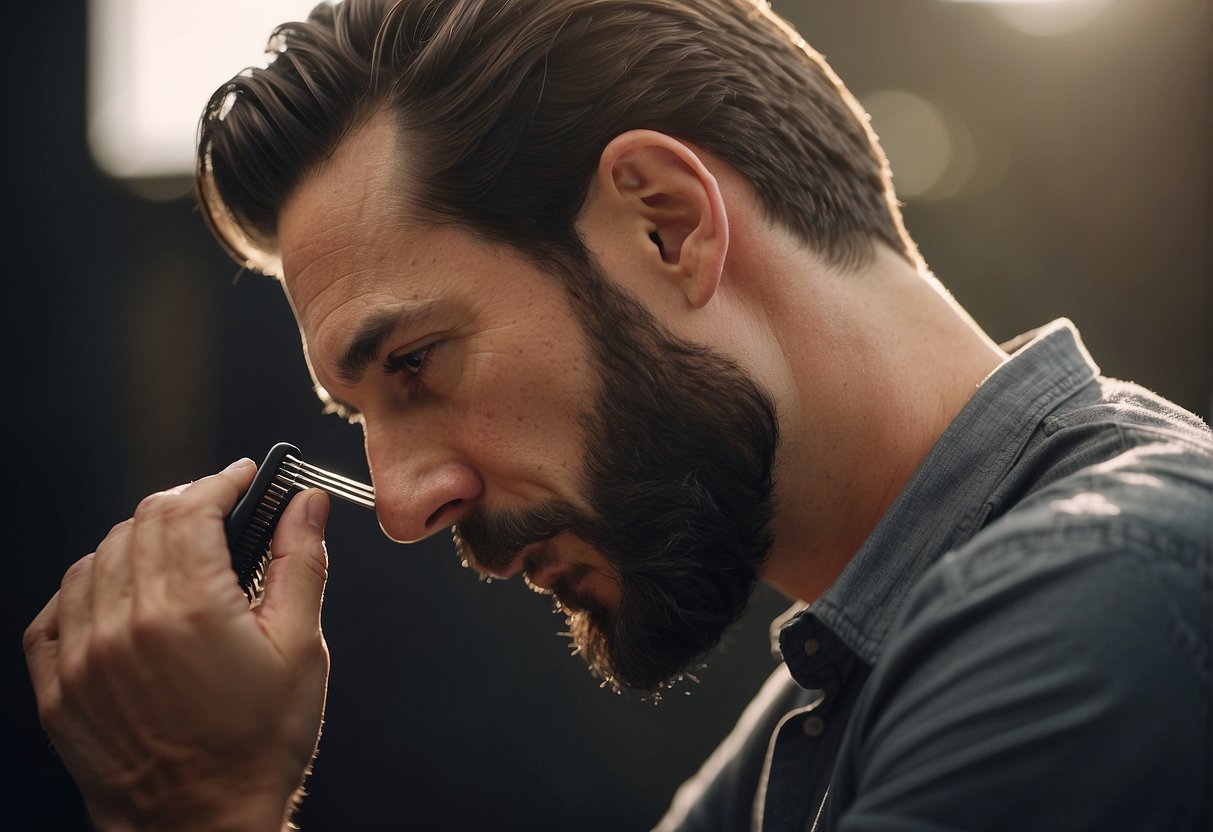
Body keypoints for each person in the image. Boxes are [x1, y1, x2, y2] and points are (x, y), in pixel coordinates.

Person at [23, 0, 1211, 829]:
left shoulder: (1105, 604)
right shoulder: (823, 705)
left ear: (665, 223)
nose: (397, 505)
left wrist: (203, 807)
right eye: (357, 416)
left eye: (417, 365)